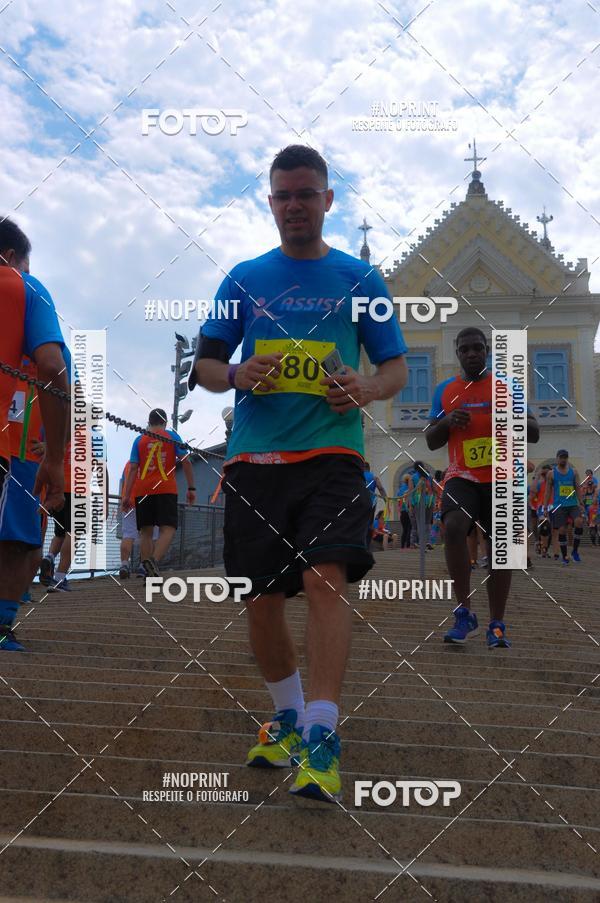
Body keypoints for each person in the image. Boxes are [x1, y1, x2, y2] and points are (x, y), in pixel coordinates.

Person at [191, 144, 408, 802]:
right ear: (270, 202)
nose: (294, 206)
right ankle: (285, 715)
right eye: (283, 196)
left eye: (306, 194)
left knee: (324, 578)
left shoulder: (360, 281)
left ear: (327, 201)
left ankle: (321, 730)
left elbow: (393, 367)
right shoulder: (243, 280)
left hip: (333, 456)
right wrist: (235, 374)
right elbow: (203, 367)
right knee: (260, 600)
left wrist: (364, 388)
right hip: (256, 460)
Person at [426, 327, 539, 649]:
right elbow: (432, 440)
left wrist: (510, 419)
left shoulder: (507, 387)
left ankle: (497, 623)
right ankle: (464, 612)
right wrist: (447, 422)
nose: (472, 353)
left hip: (503, 476)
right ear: (457, 353)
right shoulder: (445, 391)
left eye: (478, 348)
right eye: (465, 349)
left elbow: (534, 432)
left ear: (487, 350)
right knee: (453, 526)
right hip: (462, 476)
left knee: (501, 549)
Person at [0, 218, 69, 651]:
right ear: (13, 257)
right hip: (15, 442)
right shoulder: (24, 286)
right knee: (21, 536)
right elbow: (52, 367)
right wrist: (57, 459)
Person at [122, 408, 196, 577]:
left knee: (145, 532)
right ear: (165, 423)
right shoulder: (172, 436)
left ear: (149, 422)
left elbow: (133, 468)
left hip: (143, 490)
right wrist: (191, 488)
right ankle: (153, 561)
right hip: (166, 488)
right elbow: (186, 462)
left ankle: (145, 568)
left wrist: (126, 496)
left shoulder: (139, 439)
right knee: (168, 528)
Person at [544, 450, 584, 565]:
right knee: (561, 530)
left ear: (567, 458)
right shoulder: (551, 474)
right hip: (559, 506)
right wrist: (546, 507)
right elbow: (547, 491)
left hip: (572, 504)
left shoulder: (574, 472)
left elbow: (577, 488)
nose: (563, 459)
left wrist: (581, 503)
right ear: (557, 458)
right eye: (561, 457)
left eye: (565, 457)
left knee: (579, 522)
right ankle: (565, 555)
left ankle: (575, 551)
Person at [363, 460, 387, 545]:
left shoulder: (358, 477)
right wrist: (386, 500)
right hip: (371, 502)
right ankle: (367, 545)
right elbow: (380, 488)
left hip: (359, 503)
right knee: (369, 524)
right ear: (369, 469)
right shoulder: (374, 477)